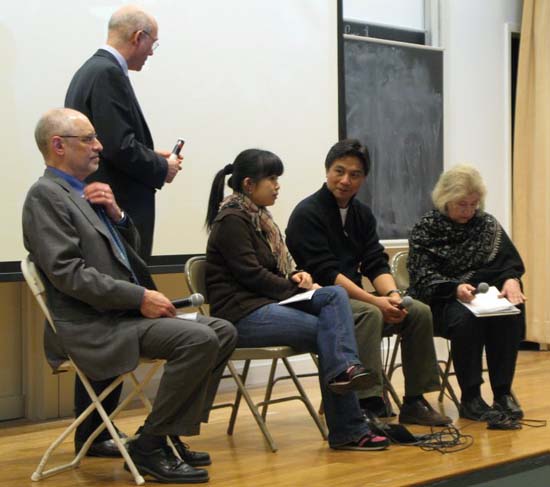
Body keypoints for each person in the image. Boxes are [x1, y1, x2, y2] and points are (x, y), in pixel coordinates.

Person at [23, 108, 237, 483]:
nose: (98, 146)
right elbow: (69, 274)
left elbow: (129, 257)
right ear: (58, 145)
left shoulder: (85, 192)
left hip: (120, 317)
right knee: (199, 338)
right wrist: (140, 298)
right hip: (93, 326)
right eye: (88, 139)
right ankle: (149, 446)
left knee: (222, 330)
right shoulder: (46, 196)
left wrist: (118, 215)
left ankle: (166, 433)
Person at [205, 148, 390, 451]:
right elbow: (253, 276)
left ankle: (346, 377)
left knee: (333, 295)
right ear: (249, 184)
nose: (277, 186)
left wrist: (297, 276)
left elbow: (274, 269)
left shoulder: (260, 219)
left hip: (265, 306)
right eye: (272, 179)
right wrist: (298, 290)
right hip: (241, 316)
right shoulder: (232, 221)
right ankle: (348, 425)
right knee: (330, 332)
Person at [286, 139, 450, 427]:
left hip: (355, 297)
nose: (345, 180)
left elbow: (375, 261)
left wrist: (393, 295)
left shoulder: (361, 213)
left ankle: (415, 401)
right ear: (327, 171)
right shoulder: (307, 214)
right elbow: (326, 272)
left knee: (417, 311)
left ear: (363, 178)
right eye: (339, 171)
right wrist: (375, 301)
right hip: (319, 300)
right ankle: (367, 403)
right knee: (369, 313)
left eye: (355, 174)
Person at [407, 164, 525, 421]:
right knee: (467, 319)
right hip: (440, 301)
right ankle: (471, 397)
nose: (469, 211)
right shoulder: (426, 229)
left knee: (511, 309)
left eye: (474, 204)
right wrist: (454, 288)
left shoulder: (486, 224)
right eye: (462, 204)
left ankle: (503, 393)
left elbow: (507, 263)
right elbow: (422, 277)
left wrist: (512, 280)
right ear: (445, 199)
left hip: (481, 298)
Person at [65, 4, 181, 262]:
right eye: (153, 43)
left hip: (103, 201)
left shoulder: (92, 69)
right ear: (138, 37)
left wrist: (150, 154)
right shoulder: (107, 73)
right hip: (116, 205)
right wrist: (163, 166)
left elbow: (108, 139)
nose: (152, 52)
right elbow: (118, 146)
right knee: (126, 280)